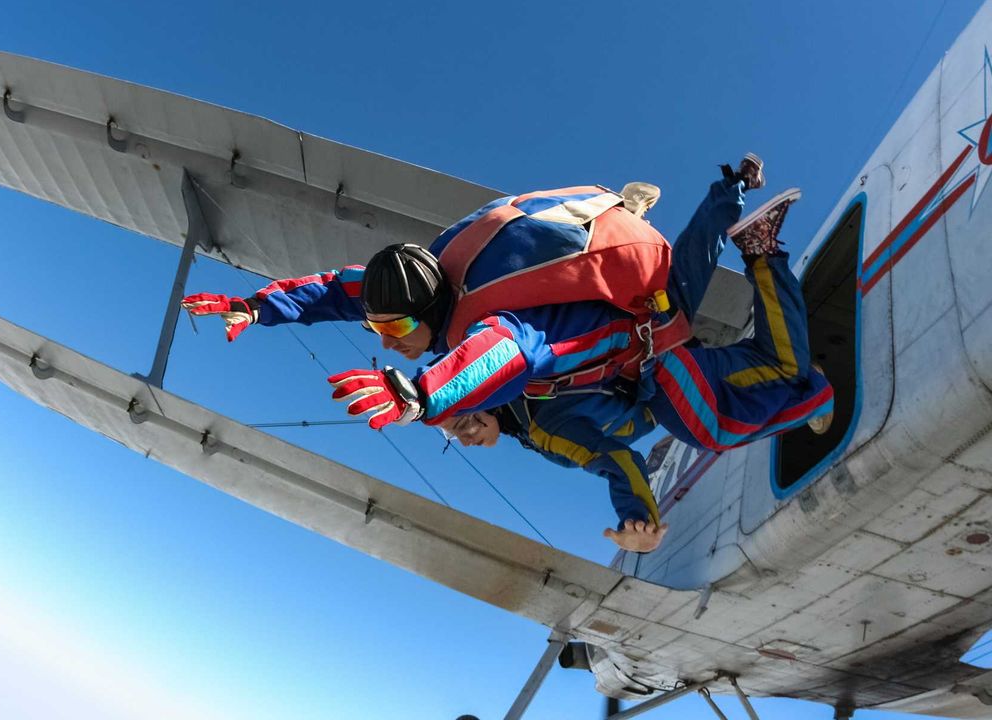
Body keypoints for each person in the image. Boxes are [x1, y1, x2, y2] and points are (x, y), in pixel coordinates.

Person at [183, 157, 767, 432]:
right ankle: (694, 195)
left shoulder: (490, 320)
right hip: (573, 273)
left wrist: (420, 393)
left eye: (395, 330)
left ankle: (730, 192)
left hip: (636, 324)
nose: (388, 342)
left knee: (688, 348)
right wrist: (255, 306)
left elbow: (505, 351)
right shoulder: (426, 274)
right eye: (378, 330)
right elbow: (339, 291)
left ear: (428, 312)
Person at [438, 188, 835, 554]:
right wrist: (730, 190)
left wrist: (638, 518)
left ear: (482, 397)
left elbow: (617, 460)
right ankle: (734, 205)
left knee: (714, 428)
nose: (467, 439)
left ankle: (815, 392)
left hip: (654, 369)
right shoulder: (530, 395)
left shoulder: (542, 425)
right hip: (647, 334)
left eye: (463, 424)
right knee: (691, 282)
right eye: (454, 437)